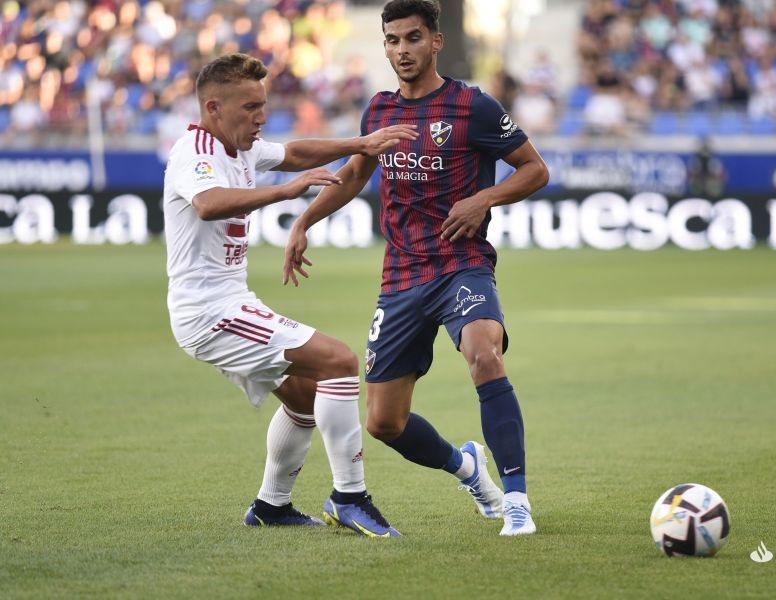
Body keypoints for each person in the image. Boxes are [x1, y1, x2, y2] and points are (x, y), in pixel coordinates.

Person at [283, 0, 549, 536]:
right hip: (402, 274)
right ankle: (468, 468)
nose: (401, 50)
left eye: (411, 38)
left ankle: (517, 500)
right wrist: (304, 221)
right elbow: (356, 173)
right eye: (391, 40)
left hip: (461, 263)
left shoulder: (471, 105)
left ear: (435, 41)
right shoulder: (378, 111)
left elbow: (535, 170)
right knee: (383, 422)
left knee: (483, 354)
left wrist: (483, 200)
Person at [163, 52, 418, 537]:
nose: (261, 116)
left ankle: (271, 506)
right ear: (213, 108)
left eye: (263, 105)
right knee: (339, 361)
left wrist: (361, 143)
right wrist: (286, 192)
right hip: (209, 312)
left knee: (303, 400)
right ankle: (350, 496)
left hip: (232, 303)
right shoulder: (194, 153)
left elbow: (296, 153)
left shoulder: (240, 147)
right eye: (249, 107)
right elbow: (208, 204)